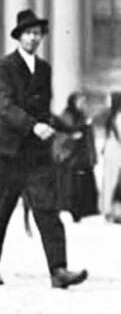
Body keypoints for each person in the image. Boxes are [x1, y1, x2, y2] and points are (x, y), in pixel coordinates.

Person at [0, 9, 87, 288]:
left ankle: (58, 270)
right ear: (19, 37)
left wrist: (64, 127)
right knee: (2, 207)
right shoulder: (3, 67)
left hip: (37, 152)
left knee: (47, 207)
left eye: (37, 34)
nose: (33, 38)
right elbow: (5, 107)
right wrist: (33, 126)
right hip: (9, 150)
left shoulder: (44, 69)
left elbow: (44, 110)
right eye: (28, 33)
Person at [55, 93, 100, 222]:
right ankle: (74, 211)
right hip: (72, 159)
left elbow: (89, 139)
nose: (83, 104)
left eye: (84, 101)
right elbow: (61, 135)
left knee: (83, 186)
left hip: (83, 159)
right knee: (73, 187)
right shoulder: (67, 116)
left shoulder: (84, 117)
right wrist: (73, 136)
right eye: (80, 101)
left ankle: (84, 210)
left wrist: (92, 157)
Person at [102, 92, 121, 223]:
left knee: (109, 182)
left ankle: (109, 210)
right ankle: (115, 212)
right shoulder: (118, 116)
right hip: (116, 153)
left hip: (111, 152)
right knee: (115, 183)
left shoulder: (112, 116)